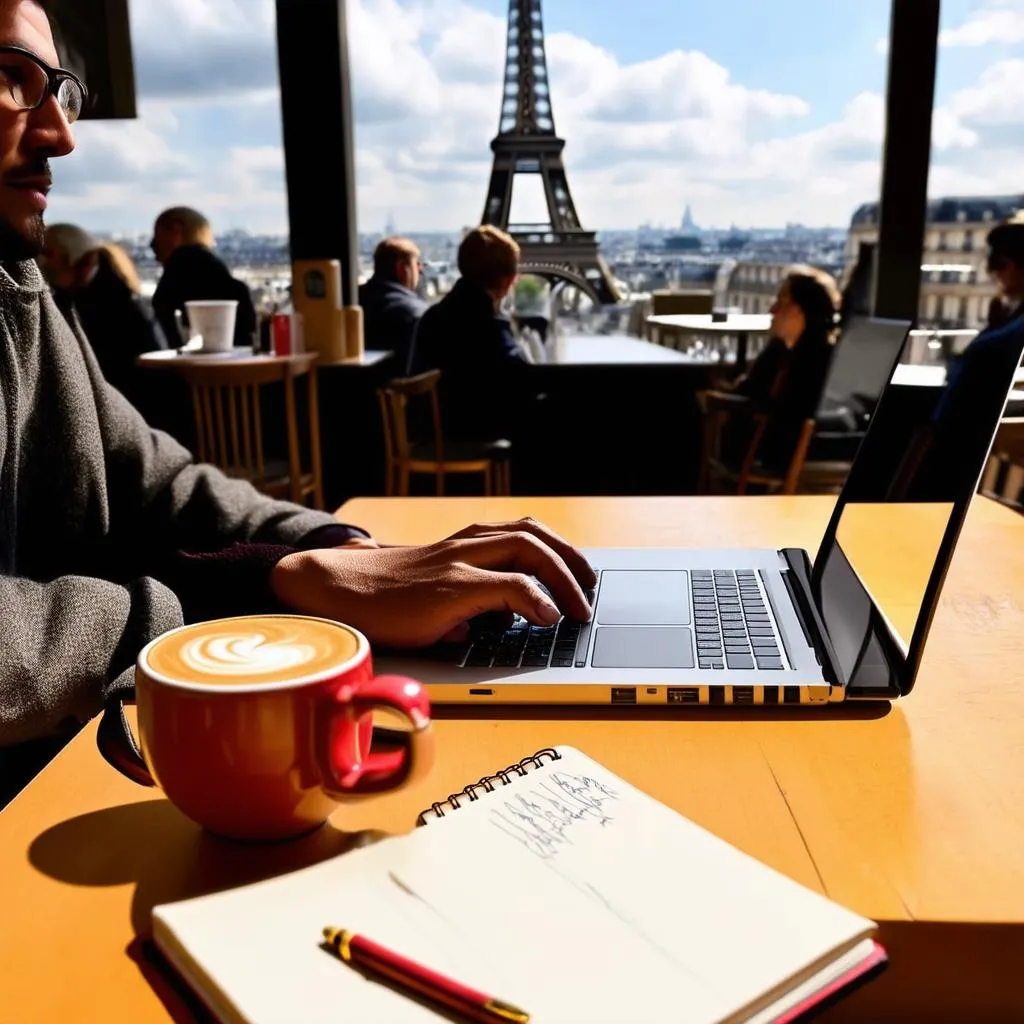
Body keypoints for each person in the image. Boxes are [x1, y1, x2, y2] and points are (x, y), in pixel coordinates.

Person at [0, 1, 594, 801]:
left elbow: (158, 482)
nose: (61, 134)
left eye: (57, 91)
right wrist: (269, 588)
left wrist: (344, 551)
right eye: (10, 80)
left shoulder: (23, 290)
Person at [902, 218, 1024, 501]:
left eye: (1000, 268)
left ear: (1011, 267)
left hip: (959, 454)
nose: (995, 277)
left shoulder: (1003, 336)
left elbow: (973, 376)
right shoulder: (1007, 324)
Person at [408, 225, 529, 440]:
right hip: (477, 440)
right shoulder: (491, 329)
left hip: (430, 441)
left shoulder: (431, 319)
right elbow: (518, 382)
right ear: (508, 281)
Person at [719, 265, 840, 472]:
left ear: (798, 311)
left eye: (781, 301)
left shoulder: (785, 358)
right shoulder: (829, 357)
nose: (772, 309)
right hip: (811, 454)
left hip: (769, 455)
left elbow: (749, 397)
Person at [39, 223, 166, 404]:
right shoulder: (117, 297)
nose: (40, 263)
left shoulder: (99, 307)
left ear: (73, 259)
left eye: (47, 254)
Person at [150, 205, 257, 349]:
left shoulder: (178, 270)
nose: (153, 247)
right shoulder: (224, 278)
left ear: (176, 230)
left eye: (157, 236)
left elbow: (162, 323)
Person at [359, 236, 426, 372]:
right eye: (417, 263)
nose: (421, 270)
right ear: (402, 268)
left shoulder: (354, 301)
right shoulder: (416, 313)